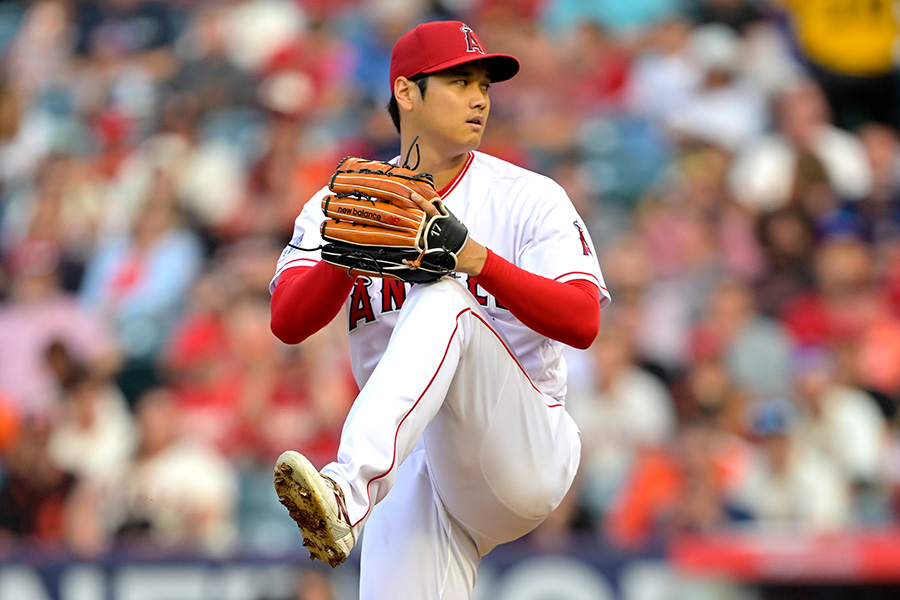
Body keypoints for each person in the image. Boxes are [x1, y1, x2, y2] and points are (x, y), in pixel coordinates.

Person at [268, 20, 609, 600]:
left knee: (443, 295)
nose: (479, 97)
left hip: (521, 445)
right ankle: (354, 490)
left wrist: (476, 259)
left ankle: (346, 489)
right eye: (459, 81)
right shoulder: (344, 201)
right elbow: (287, 322)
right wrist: (345, 251)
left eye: (485, 84)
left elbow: (583, 322)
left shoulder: (527, 196)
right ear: (405, 91)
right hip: (415, 462)